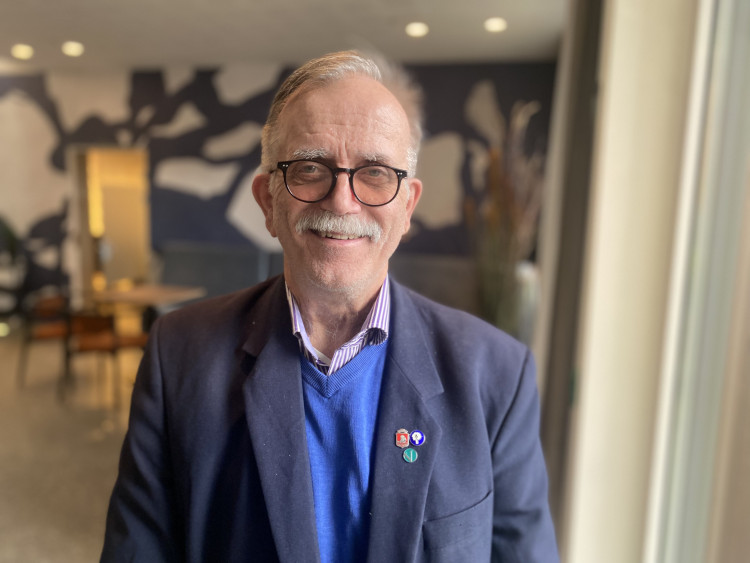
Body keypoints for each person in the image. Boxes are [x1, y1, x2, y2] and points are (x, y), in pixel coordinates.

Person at [101, 50, 558, 563]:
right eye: (310, 168)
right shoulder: (179, 355)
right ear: (268, 200)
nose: (342, 200)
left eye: (376, 172)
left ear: (407, 206)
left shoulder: (496, 374)